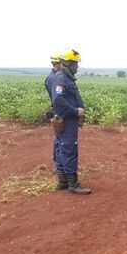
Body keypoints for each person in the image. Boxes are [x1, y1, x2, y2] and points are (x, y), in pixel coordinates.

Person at [51, 49, 91, 195]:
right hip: (66, 120)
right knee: (68, 149)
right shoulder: (61, 78)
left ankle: (63, 181)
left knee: (63, 148)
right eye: (75, 64)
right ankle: (73, 184)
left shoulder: (66, 77)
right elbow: (58, 100)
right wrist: (75, 111)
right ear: (68, 63)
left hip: (69, 120)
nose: (77, 67)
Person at [45, 54, 61, 169]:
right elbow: (58, 98)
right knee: (60, 136)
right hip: (58, 110)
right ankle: (58, 164)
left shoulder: (53, 77)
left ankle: (58, 162)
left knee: (59, 136)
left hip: (57, 108)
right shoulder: (54, 78)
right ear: (57, 64)